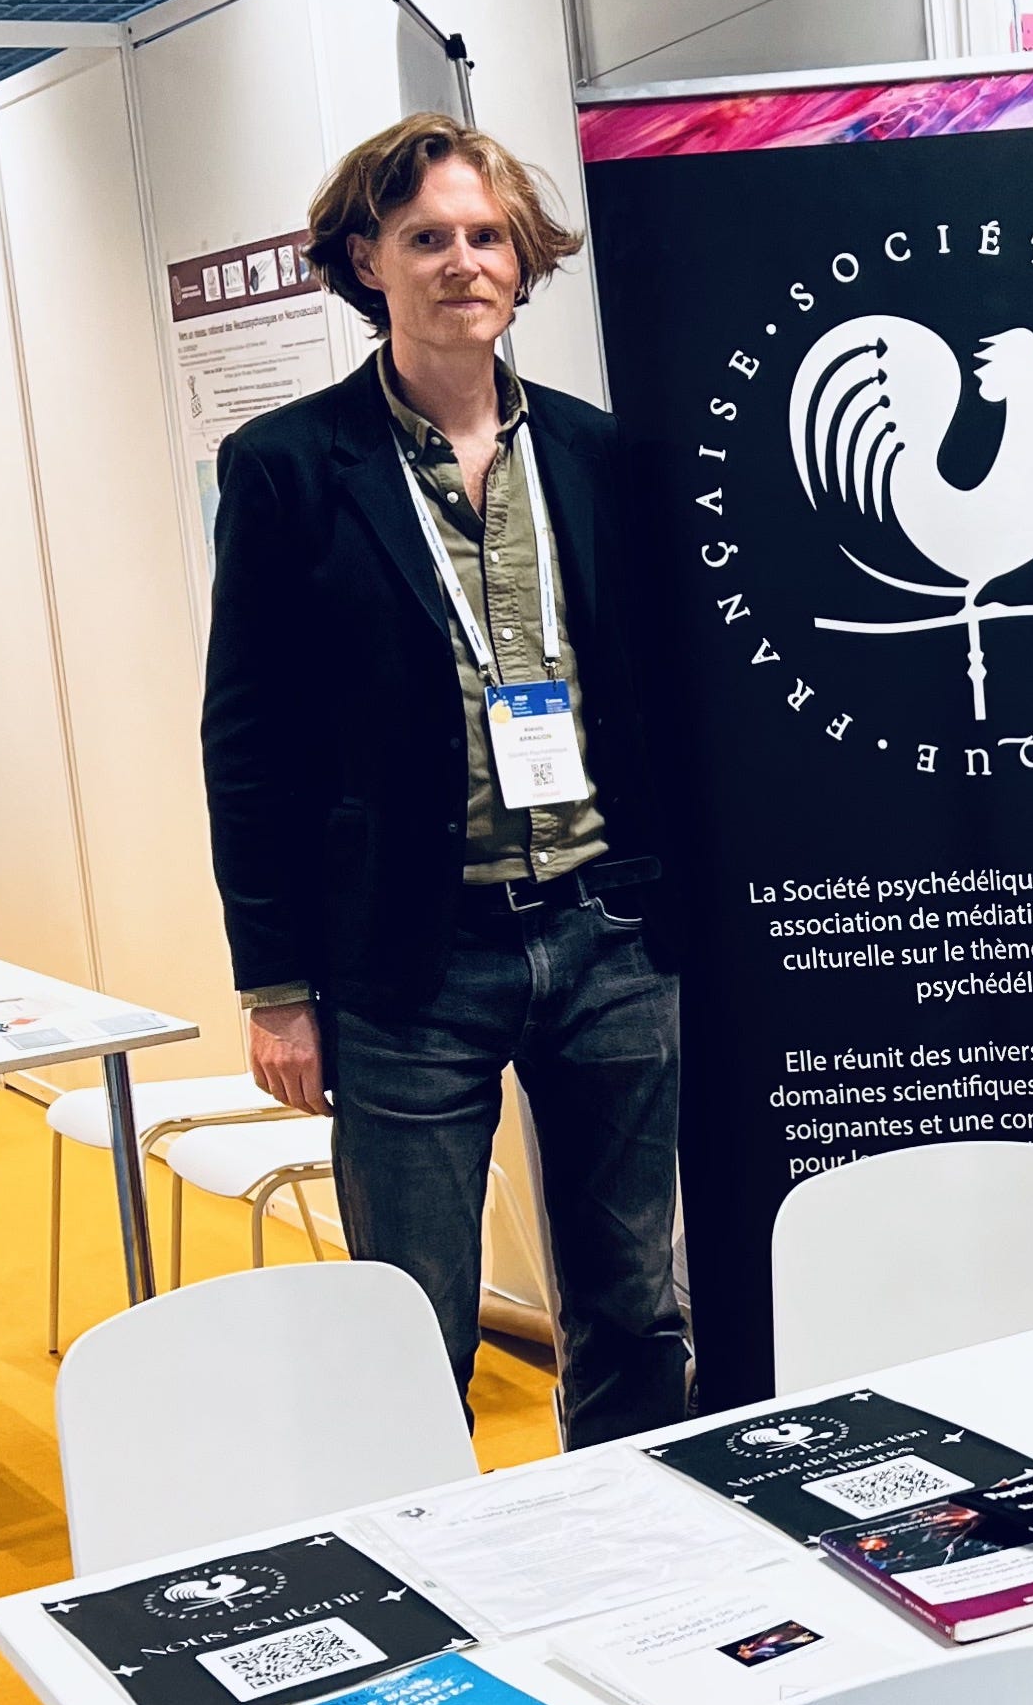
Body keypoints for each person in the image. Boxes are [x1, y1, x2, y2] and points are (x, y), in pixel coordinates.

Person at [201, 114, 686, 1445]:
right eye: (427, 238)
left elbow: (660, 694)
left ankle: (639, 1542)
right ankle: (421, 1558)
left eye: (487, 236)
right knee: (410, 1325)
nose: (462, 262)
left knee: (635, 1304)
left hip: (609, 936)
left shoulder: (598, 454)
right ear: (369, 262)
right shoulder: (289, 469)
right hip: (411, 961)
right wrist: (276, 989)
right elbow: (249, 742)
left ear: (522, 262)